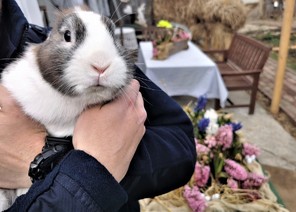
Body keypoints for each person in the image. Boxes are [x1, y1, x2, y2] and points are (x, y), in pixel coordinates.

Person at [0, 0, 196, 211]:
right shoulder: (21, 77)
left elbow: (179, 142)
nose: (100, 64)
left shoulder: (35, 37)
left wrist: (49, 160)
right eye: (69, 37)